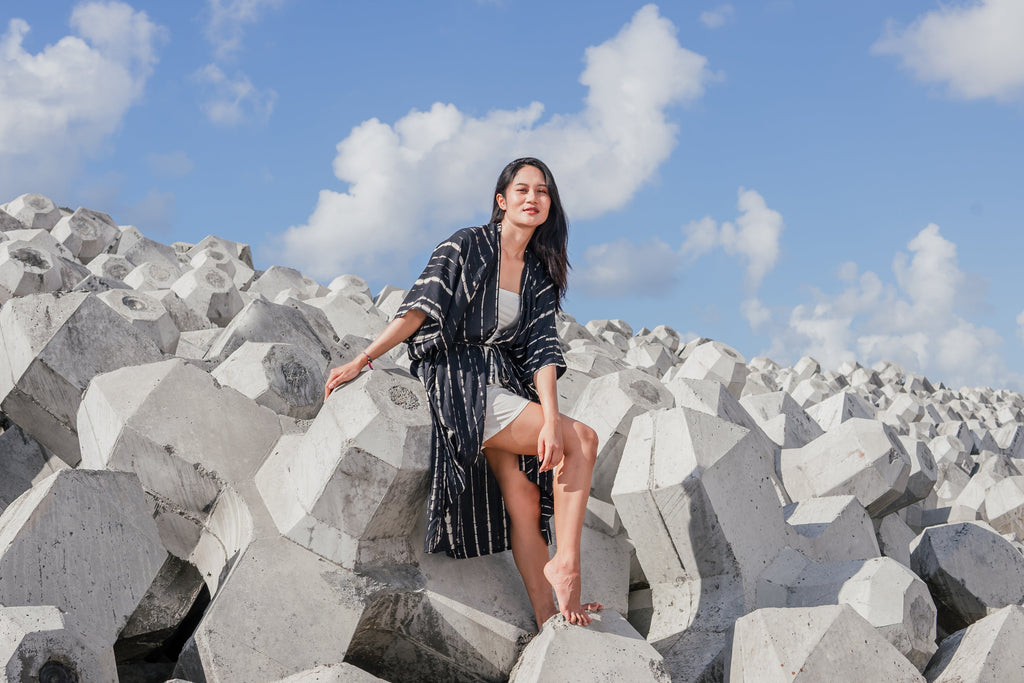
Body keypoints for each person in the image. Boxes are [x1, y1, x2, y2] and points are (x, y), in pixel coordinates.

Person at [323, 157, 602, 628]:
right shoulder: (467, 244)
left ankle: (548, 617)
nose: (532, 198)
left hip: (505, 385)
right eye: (522, 190)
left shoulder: (538, 274)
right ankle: (567, 566)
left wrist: (552, 417)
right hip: (458, 382)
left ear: (550, 205)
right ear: (502, 200)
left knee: (525, 498)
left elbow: (542, 352)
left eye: (542, 192)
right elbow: (418, 309)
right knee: (586, 440)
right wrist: (362, 360)